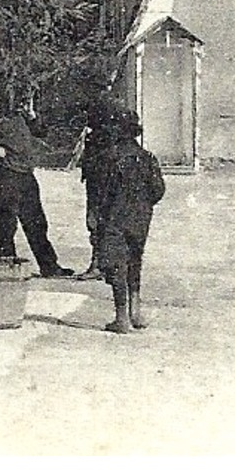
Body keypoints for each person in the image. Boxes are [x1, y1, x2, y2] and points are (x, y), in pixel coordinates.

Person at [94, 113, 166, 334]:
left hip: (115, 217)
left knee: (116, 264)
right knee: (135, 260)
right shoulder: (148, 157)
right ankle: (136, 312)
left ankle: (121, 318)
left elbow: (103, 193)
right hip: (141, 218)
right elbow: (158, 190)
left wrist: (98, 215)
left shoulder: (110, 158)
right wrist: (143, 205)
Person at [0, 107, 74, 279]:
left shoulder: (22, 114)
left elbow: (41, 132)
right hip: (7, 172)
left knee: (37, 222)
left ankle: (49, 266)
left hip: (26, 172)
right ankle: (8, 265)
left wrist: (32, 116)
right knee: (8, 221)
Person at [75, 91, 128, 280]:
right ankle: (107, 265)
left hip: (101, 182)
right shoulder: (111, 135)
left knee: (97, 221)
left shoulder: (101, 138)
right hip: (103, 181)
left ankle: (99, 265)